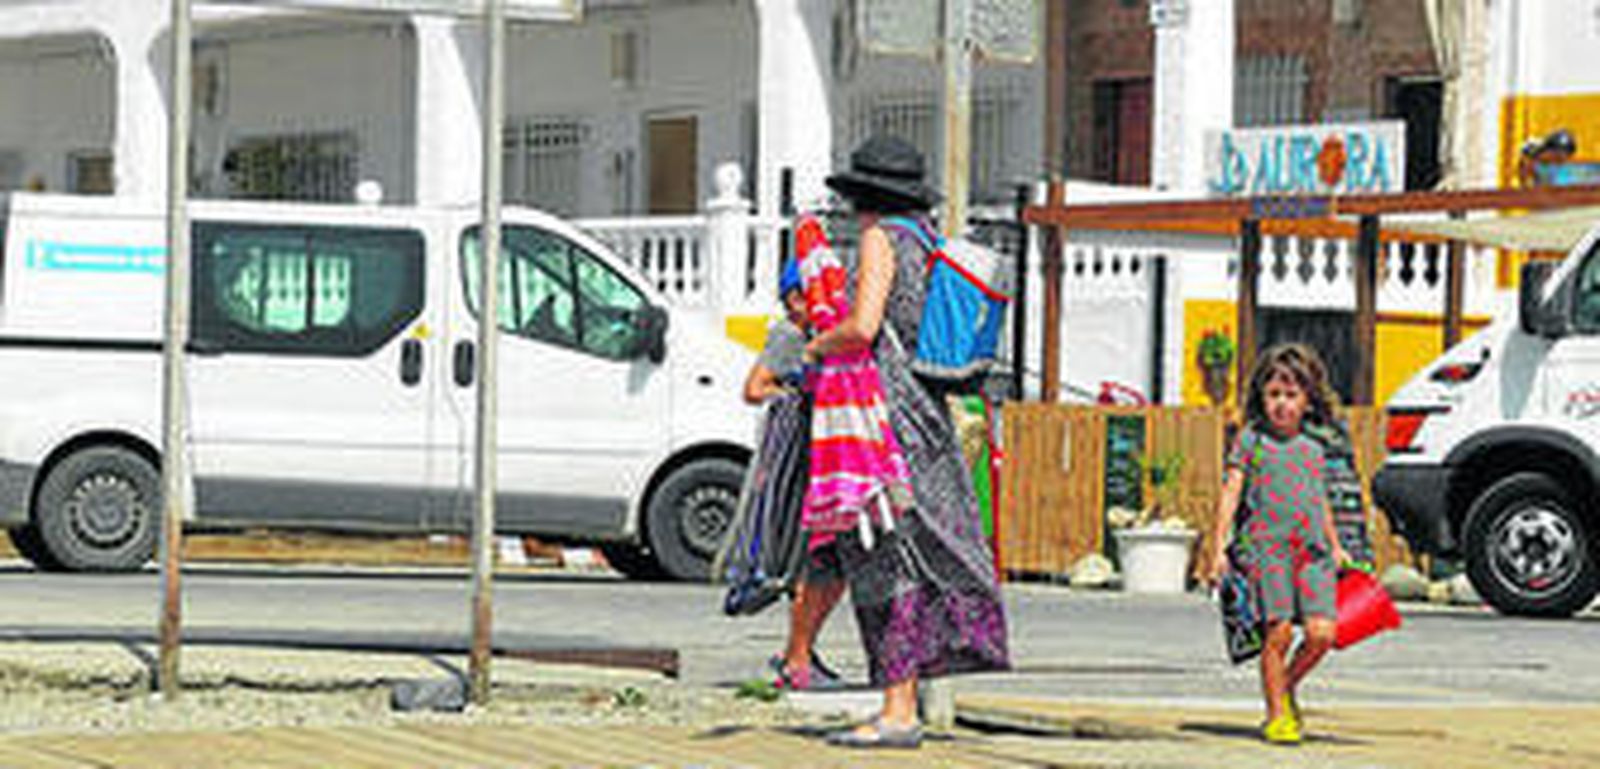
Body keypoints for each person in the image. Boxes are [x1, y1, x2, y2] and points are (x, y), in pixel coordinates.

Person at [802, 135, 1010, 749]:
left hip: (878, 416)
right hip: (926, 410)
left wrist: (816, 344)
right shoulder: (925, 239)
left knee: (883, 554)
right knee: (918, 550)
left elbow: (863, 327)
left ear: (863, 195)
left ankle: (896, 710)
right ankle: (902, 701)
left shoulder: (879, 239)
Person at [1209, 343, 1351, 746]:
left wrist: (1336, 545)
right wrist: (1218, 548)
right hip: (1266, 551)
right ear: (1261, 397)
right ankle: (1276, 715)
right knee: (1279, 634)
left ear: (1307, 401)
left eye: (1291, 395)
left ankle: (1285, 687)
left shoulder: (1314, 447)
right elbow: (1230, 493)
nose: (1282, 404)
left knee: (1322, 633)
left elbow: (1318, 498)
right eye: (1274, 395)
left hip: (1313, 553)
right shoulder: (1251, 441)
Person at [741, 258, 846, 691]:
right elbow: (753, 388)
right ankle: (797, 658)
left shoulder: (822, 335)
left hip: (825, 458)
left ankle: (798, 653)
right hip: (800, 464)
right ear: (796, 298)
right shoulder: (790, 335)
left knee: (833, 565)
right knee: (814, 563)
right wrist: (796, 390)